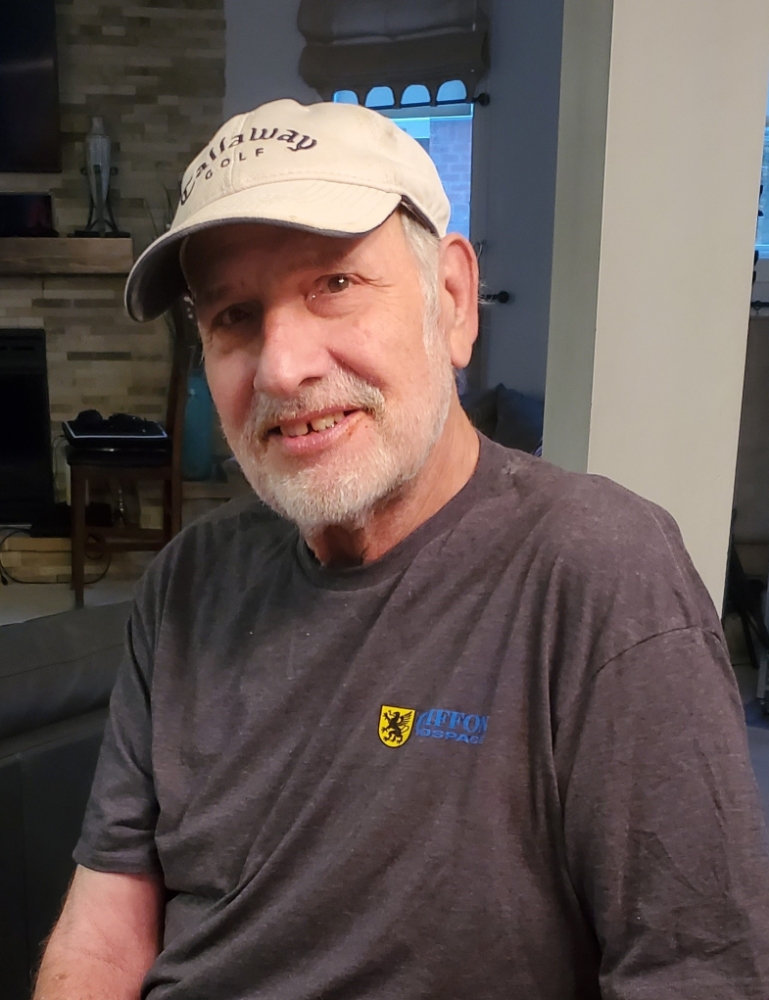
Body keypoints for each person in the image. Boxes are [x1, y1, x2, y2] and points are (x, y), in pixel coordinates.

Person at [35, 98, 769, 1000]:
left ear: (451, 300)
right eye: (233, 315)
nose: (282, 367)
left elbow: (695, 974)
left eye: (334, 283)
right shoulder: (187, 580)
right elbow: (105, 933)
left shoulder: (600, 571)